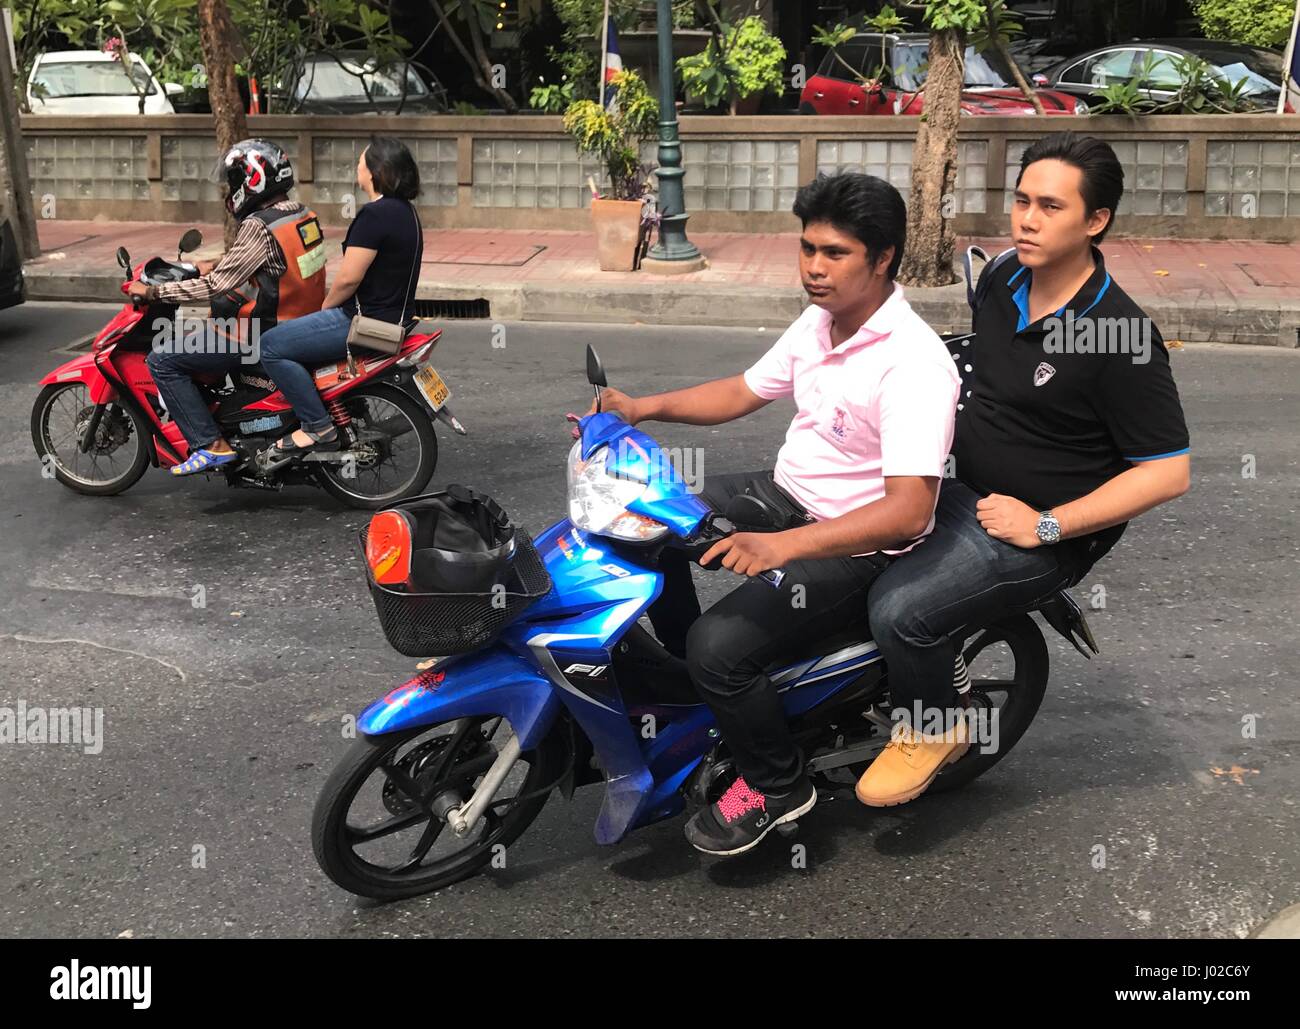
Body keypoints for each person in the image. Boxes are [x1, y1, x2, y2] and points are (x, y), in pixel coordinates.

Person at [584, 173, 961, 856]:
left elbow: (909, 512)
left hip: (855, 543)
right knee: (641, 520)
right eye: (807, 247)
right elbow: (744, 389)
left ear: (882, 259)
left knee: (719, 650)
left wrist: (781, 549)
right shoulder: (821, 320)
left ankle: (777, 783)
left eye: (835, 253)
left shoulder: (913, 365)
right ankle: (681, 681)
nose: (814, 267)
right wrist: (639, 408)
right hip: (785, 493)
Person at [856, 132, 1191, 808]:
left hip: (1030, 530)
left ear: (1095, 221)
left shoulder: (1120, 336)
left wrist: (1046, 524)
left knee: (902, 609)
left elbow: (1165, 472)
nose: (1027, 219)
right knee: (833, 540)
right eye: (1022, 200)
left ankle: (938, 722)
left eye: (1050, 207)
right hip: (957, 485)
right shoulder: (1007, 273)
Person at [138, 138, 327, 474]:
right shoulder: (301, 214)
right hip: (304, 320)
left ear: (253, 181)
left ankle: (211, 445)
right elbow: (276, 262)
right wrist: (217, 262)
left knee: (162, 359)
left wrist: (155, 293)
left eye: (236, 181)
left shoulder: (258, 226)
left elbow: (214, 285)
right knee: (223, 308)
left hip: (267, 332)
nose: (232, 190)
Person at [256, 136, 424, 461]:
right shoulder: (406, 212)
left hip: (363, 322)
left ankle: (316, 425)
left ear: (376, 171)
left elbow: (348, 278)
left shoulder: (375, 215)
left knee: (271, 346)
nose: (357, 167)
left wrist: (325, 308)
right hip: (394, 319)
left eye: (362, 162)